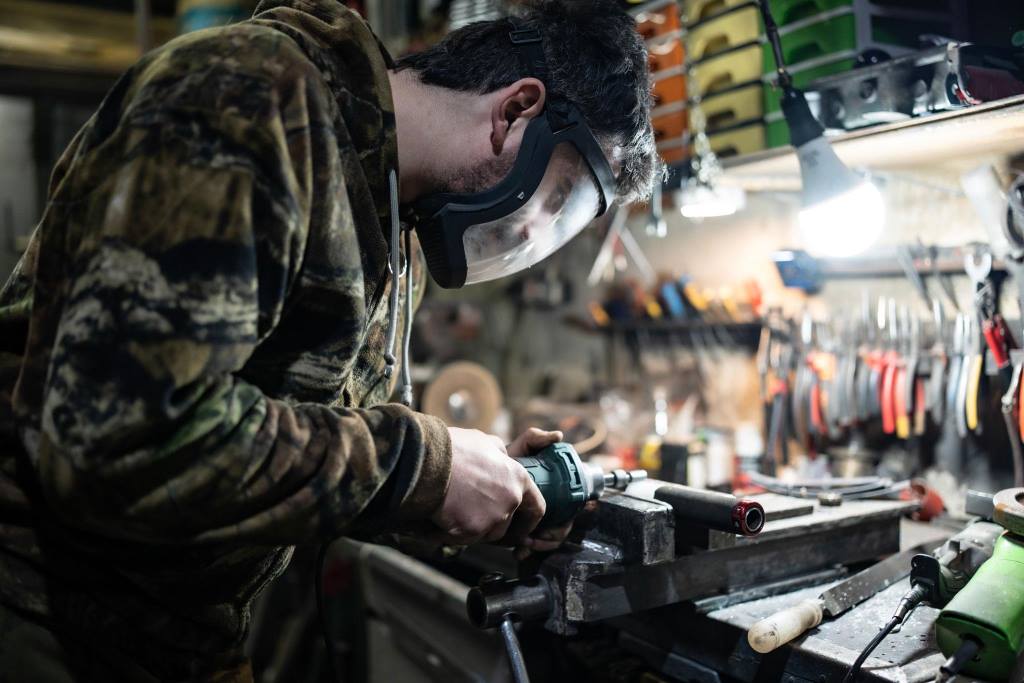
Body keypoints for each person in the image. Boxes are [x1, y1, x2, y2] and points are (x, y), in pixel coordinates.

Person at [0, 0, 658, 680]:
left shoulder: (391, 222)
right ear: (517, 110)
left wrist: (470, 483)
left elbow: (295, 448)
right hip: (47, 623)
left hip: (180, 637)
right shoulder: (246, 100)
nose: (531, 232)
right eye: (557, 199)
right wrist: (421, 467)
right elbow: (117, 438)